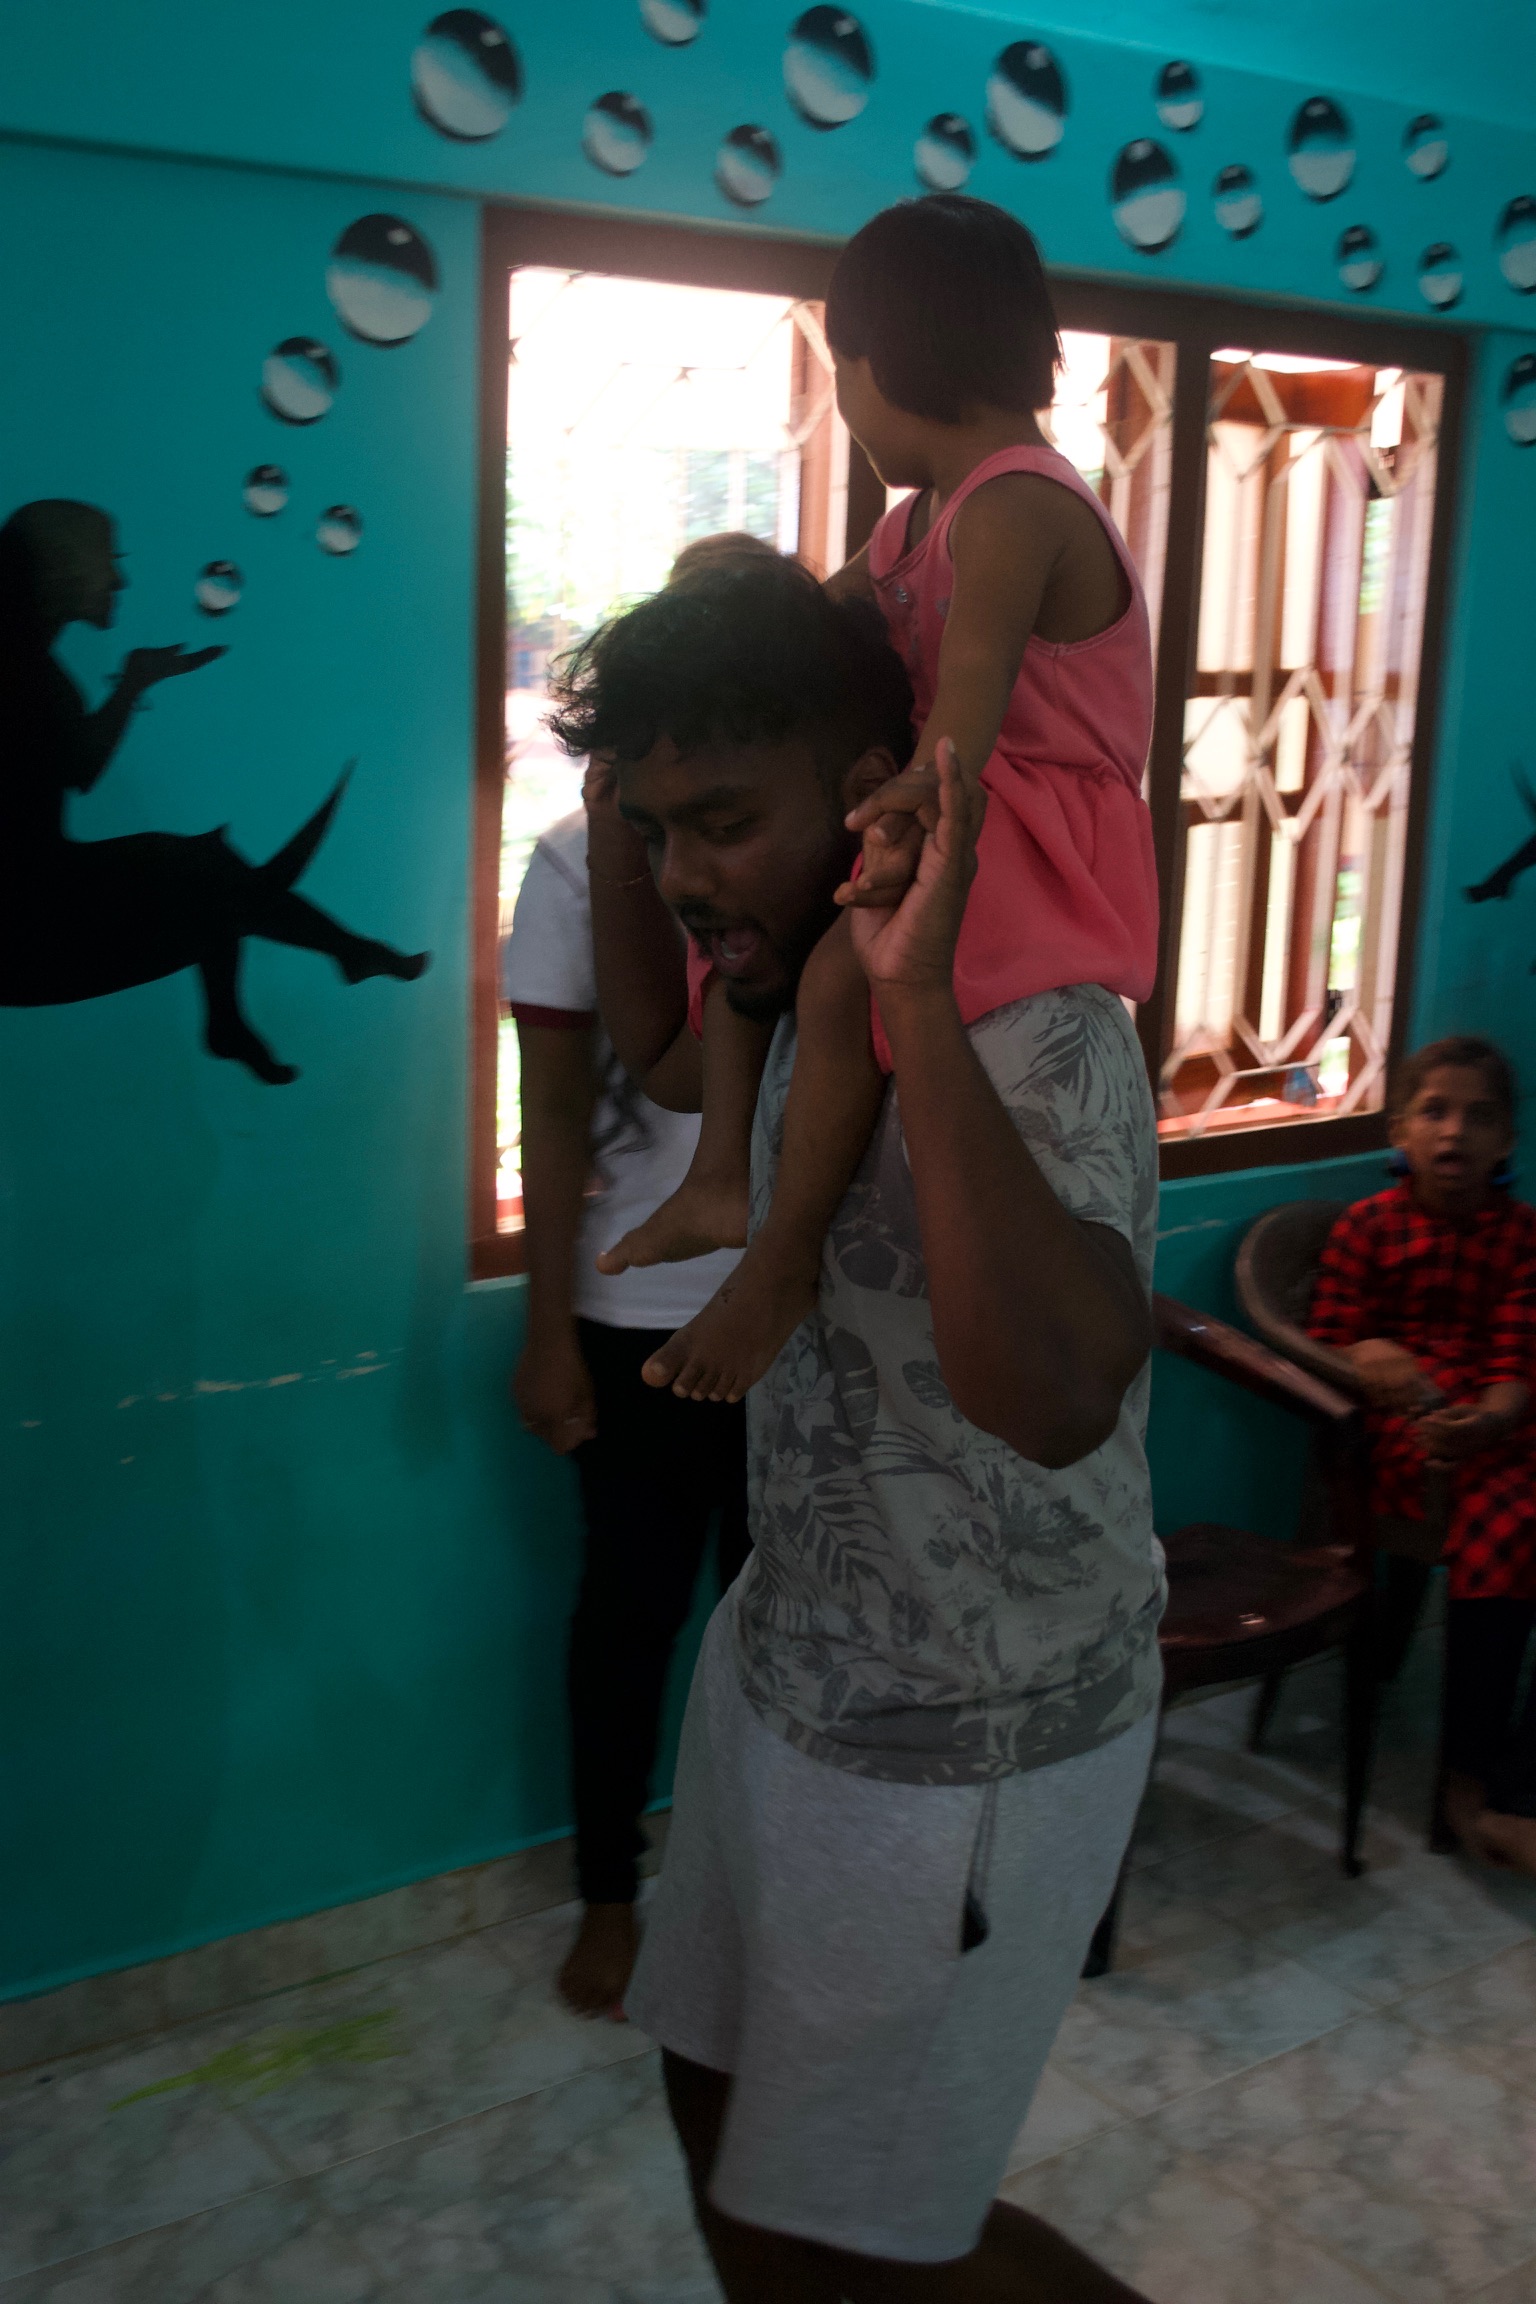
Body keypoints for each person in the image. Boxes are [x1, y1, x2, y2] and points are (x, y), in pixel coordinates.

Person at [550, 554, 1163, 2302]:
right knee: (717, 2110)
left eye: (725, 822)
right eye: (657, 830)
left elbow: (1060, 1400)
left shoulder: (1040, 1025)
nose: (688, 874)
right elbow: (657, 1056)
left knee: (871, 2244)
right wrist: (617, 838)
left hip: (974, 1734)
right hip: (789, 1669)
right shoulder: (770, 989)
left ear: (869, 785)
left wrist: (915, 1006)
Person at [595, 196, 1158, 1413]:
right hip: (953, 799)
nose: (844, 410)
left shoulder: (1018, 502)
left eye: (841, 372)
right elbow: (815, 622)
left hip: (1009, 820)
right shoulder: (918, 519)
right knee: (750, 956)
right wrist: (714, 632)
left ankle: (781, 1259)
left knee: (839, 976)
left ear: (887, 356)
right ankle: (720, 1173)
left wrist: (912, 795)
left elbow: (974, 685)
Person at [503, 538, 775, 2015]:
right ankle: (610, 1891)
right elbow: (550, 1112)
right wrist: (549, 1330)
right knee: (628, 1618)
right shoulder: (575, 860)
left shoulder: (822, 852)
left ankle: (760, 1888)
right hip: (638, 1318)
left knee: (784, 1623)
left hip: (796, 1316)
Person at [1309, 1037, 1536, 1878]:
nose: (1455, 1133)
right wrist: (1366, 1351)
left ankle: (1516, 1788)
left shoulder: (1521, 1236)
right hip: (1408, 1436)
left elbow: (1515, 1363)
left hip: (1498, 1427)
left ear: (1506, 1140)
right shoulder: (1367, 1228)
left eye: (1480, 1117)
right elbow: (1330, 1337)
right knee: (1511, 1525)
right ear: (1399, 1130)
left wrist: (1492, 1418)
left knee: (1517, 1510)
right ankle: (1469, 1788)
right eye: (1434, 1112)